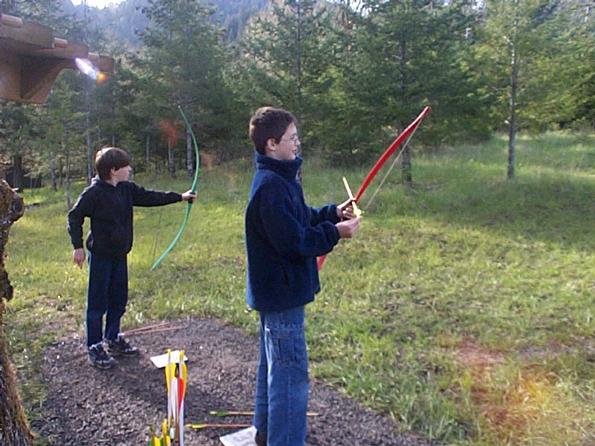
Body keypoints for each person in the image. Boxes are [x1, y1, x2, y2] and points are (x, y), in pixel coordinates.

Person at [245, 107, 361, 446]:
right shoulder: (271, 186)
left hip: (277, 293)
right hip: (281, 295)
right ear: (271, 144)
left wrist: (332, 214)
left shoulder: (280, 178)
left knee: (274, 366)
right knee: (289, 378)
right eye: (292, 138)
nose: (297, 143)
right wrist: (336, 232)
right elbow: (295, 241)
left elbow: (299, 218)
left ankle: (266, 432)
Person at [67, 147, 195, 370]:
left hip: (120, 254)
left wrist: (180, 197)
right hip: (101, 256)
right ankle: (95, 346)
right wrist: (77, 247)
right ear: (113, 170)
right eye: (126, 166)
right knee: (97, 302)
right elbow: (74, 216)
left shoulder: (126, 189)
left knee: (119, 299)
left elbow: (150, 196)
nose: (129, 169)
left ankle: (113, 337)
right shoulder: (93, 193)